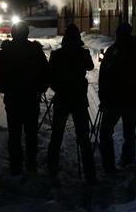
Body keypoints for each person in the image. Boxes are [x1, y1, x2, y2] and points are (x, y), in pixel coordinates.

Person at [0, 21, 49, 175]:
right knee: (31, 133)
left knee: (15, 133)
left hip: (13, 99)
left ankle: (16, 164)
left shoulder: (5, 52)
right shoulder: (36, 51)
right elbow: (46, 73)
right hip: (31, 98)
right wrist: (39, 89)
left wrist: (6, 89)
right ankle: (31, 163)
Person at [98, 22, 136, 174]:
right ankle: (127, 162)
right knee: (129, 132)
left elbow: (103, 77)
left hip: (113, 101)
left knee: (106, 132)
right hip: (132, 100)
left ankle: (109, 165)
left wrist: (103, 99)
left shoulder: (112, 51)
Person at [47, 23, 96, 184]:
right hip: (79, 99)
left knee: (57, 135)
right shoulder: (83, 53)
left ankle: (51, 169)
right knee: (83, 137)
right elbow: (90, 66)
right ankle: (90, 173)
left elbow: (50, 76)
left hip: (61, 98)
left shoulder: (56, 55)